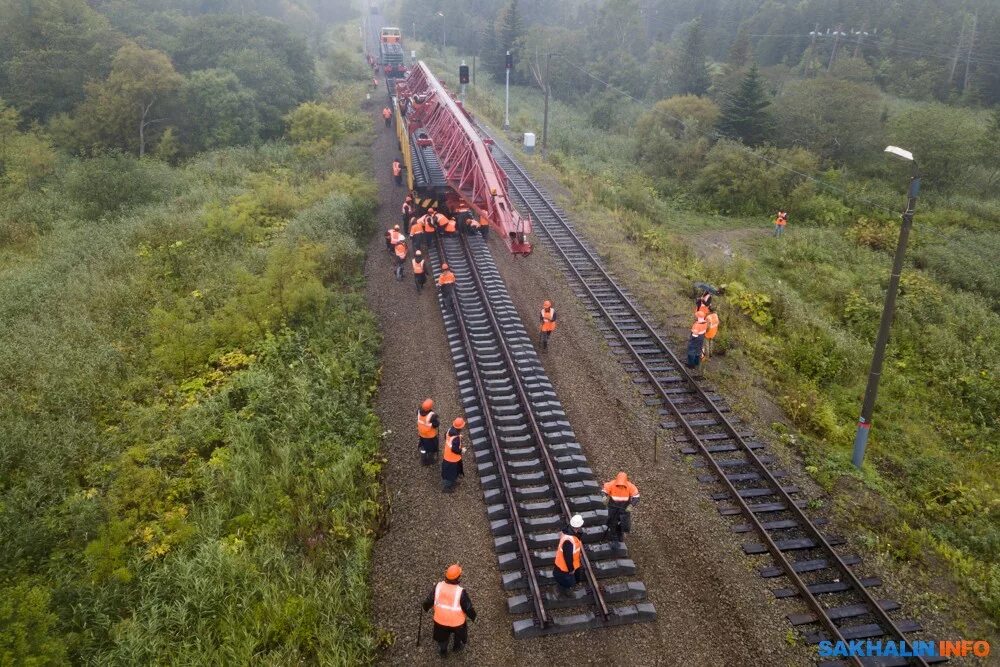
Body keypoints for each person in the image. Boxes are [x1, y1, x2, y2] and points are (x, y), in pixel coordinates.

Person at [422, 564, 477, 657]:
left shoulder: (438, 587)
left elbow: (428, 601)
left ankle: (443, 651)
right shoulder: (461, 592)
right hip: (457, 623)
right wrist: (474, 617)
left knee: (442, 638)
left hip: (440, 621)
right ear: (458, 577)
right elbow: (468, 607)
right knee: (458, 635)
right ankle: (457, 647)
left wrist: (425, 607)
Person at [552, 514, 585, 597]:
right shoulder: (568, 541)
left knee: (568, 579)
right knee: (566, 581)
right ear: (578, 526)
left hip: (572, 563)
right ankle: (563, 590)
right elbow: (568, 557)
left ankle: (563, 588)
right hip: (565, 566)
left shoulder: (569, 531)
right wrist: (571, 569)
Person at [602, 471, 640, 542]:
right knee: (612, 522)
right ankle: (613, 536)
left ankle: (620, 534)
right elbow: (605, 490)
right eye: (619, 485)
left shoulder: (630, 486)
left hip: (624, 509)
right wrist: (604, 496)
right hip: (613, 507)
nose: (620, 486)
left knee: (623, 523)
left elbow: (636, 496)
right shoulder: (611, 484)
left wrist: (631, 505)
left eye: (622, 485)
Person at [441, 417, 466, 493]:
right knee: (450, 474)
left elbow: (447, 437)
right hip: (452, 459)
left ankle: (451, 483)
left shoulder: (450, 430)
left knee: (451, 472)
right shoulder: (456, 438)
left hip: (447, 456)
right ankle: (447, 488)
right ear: (461, 427)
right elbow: (454, 449)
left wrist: (459, 437)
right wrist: (462, 450)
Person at [417, 397, 439, 464]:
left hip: (421, 434)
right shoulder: (431, 416)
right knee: (431, 449)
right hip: (430, 436)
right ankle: (431, 460)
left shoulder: (418, 411)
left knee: (423, 448)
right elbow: (436, 424)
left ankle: (423, 460)